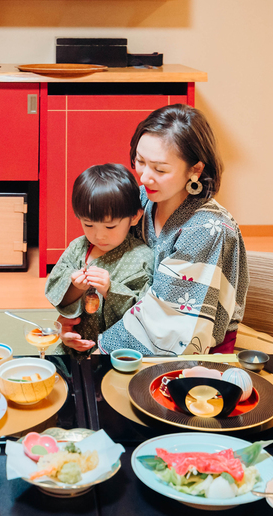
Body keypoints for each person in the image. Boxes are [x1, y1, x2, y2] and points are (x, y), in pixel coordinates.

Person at [59, 104, 248, 356]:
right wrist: (75, 324)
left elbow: (170, 321)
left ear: (195, 169)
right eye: (140, 161)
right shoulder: (141, 201)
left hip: (185, 345)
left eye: (160, 169)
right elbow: (99, 260)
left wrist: (97, 348)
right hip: (120, 325)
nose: (145, 177)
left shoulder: (208, 230)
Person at [45, 164, 154, 357]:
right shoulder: (78, 248)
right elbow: (57, 292)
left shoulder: (142, 257)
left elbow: (145, 315)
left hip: (119, 354)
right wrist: (75, 288)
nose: (99, 235)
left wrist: (110, 290)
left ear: (135, 217)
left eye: (110, 227)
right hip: (75, 348)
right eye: (88, 224)